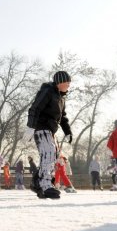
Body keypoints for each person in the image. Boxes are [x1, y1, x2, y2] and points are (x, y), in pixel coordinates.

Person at [24, 71, 73, 199]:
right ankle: (45, 184)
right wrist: (31, 126)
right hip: (41, 126)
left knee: (53, 154)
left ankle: (37, 182)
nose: (69, 85)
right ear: (60, 82)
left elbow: (63, 117)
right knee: (49, 151)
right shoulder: (47, 91)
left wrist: (67, 131)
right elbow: (35, 108)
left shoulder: (61, 98)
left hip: (50, 130)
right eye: (67, 82)